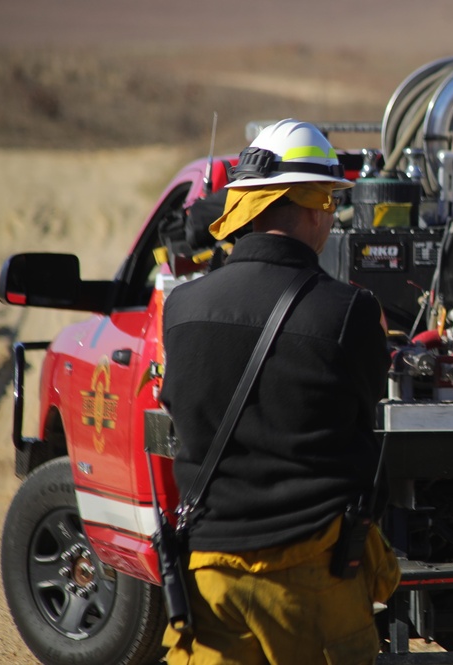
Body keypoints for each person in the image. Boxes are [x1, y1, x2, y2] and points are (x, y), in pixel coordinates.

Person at [160, 118, 400, 665]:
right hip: (313, 583)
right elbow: (367, 430)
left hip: (209, 582)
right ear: (317, 208)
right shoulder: (350, 311)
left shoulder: (183, 308)